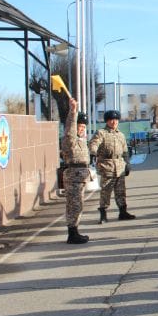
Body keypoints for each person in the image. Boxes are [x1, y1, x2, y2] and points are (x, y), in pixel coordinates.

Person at [89, 110, 136, 223]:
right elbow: (94, 143)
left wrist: (127, 164)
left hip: (120, 166)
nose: (114, 122)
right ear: (107, 121)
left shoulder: (121, 135)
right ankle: (103, 215)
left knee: (121, 191)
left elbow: (125, 151)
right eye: (111, 120)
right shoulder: (101, 133)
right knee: (106, 191)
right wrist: (92, 153)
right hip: (107, 166)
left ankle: (123, 212)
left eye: (116, 120)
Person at [61, 98, 91, 244]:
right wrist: (73, 111)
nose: (82, 129)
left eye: (84, 126)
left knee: (77, 205)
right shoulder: (70, 139)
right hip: (73, 176)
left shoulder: (81, 140)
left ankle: (75, 231)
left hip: (80, 177)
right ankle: (72, 234)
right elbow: (70, 129)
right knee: (74, 205)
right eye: (80, 126)